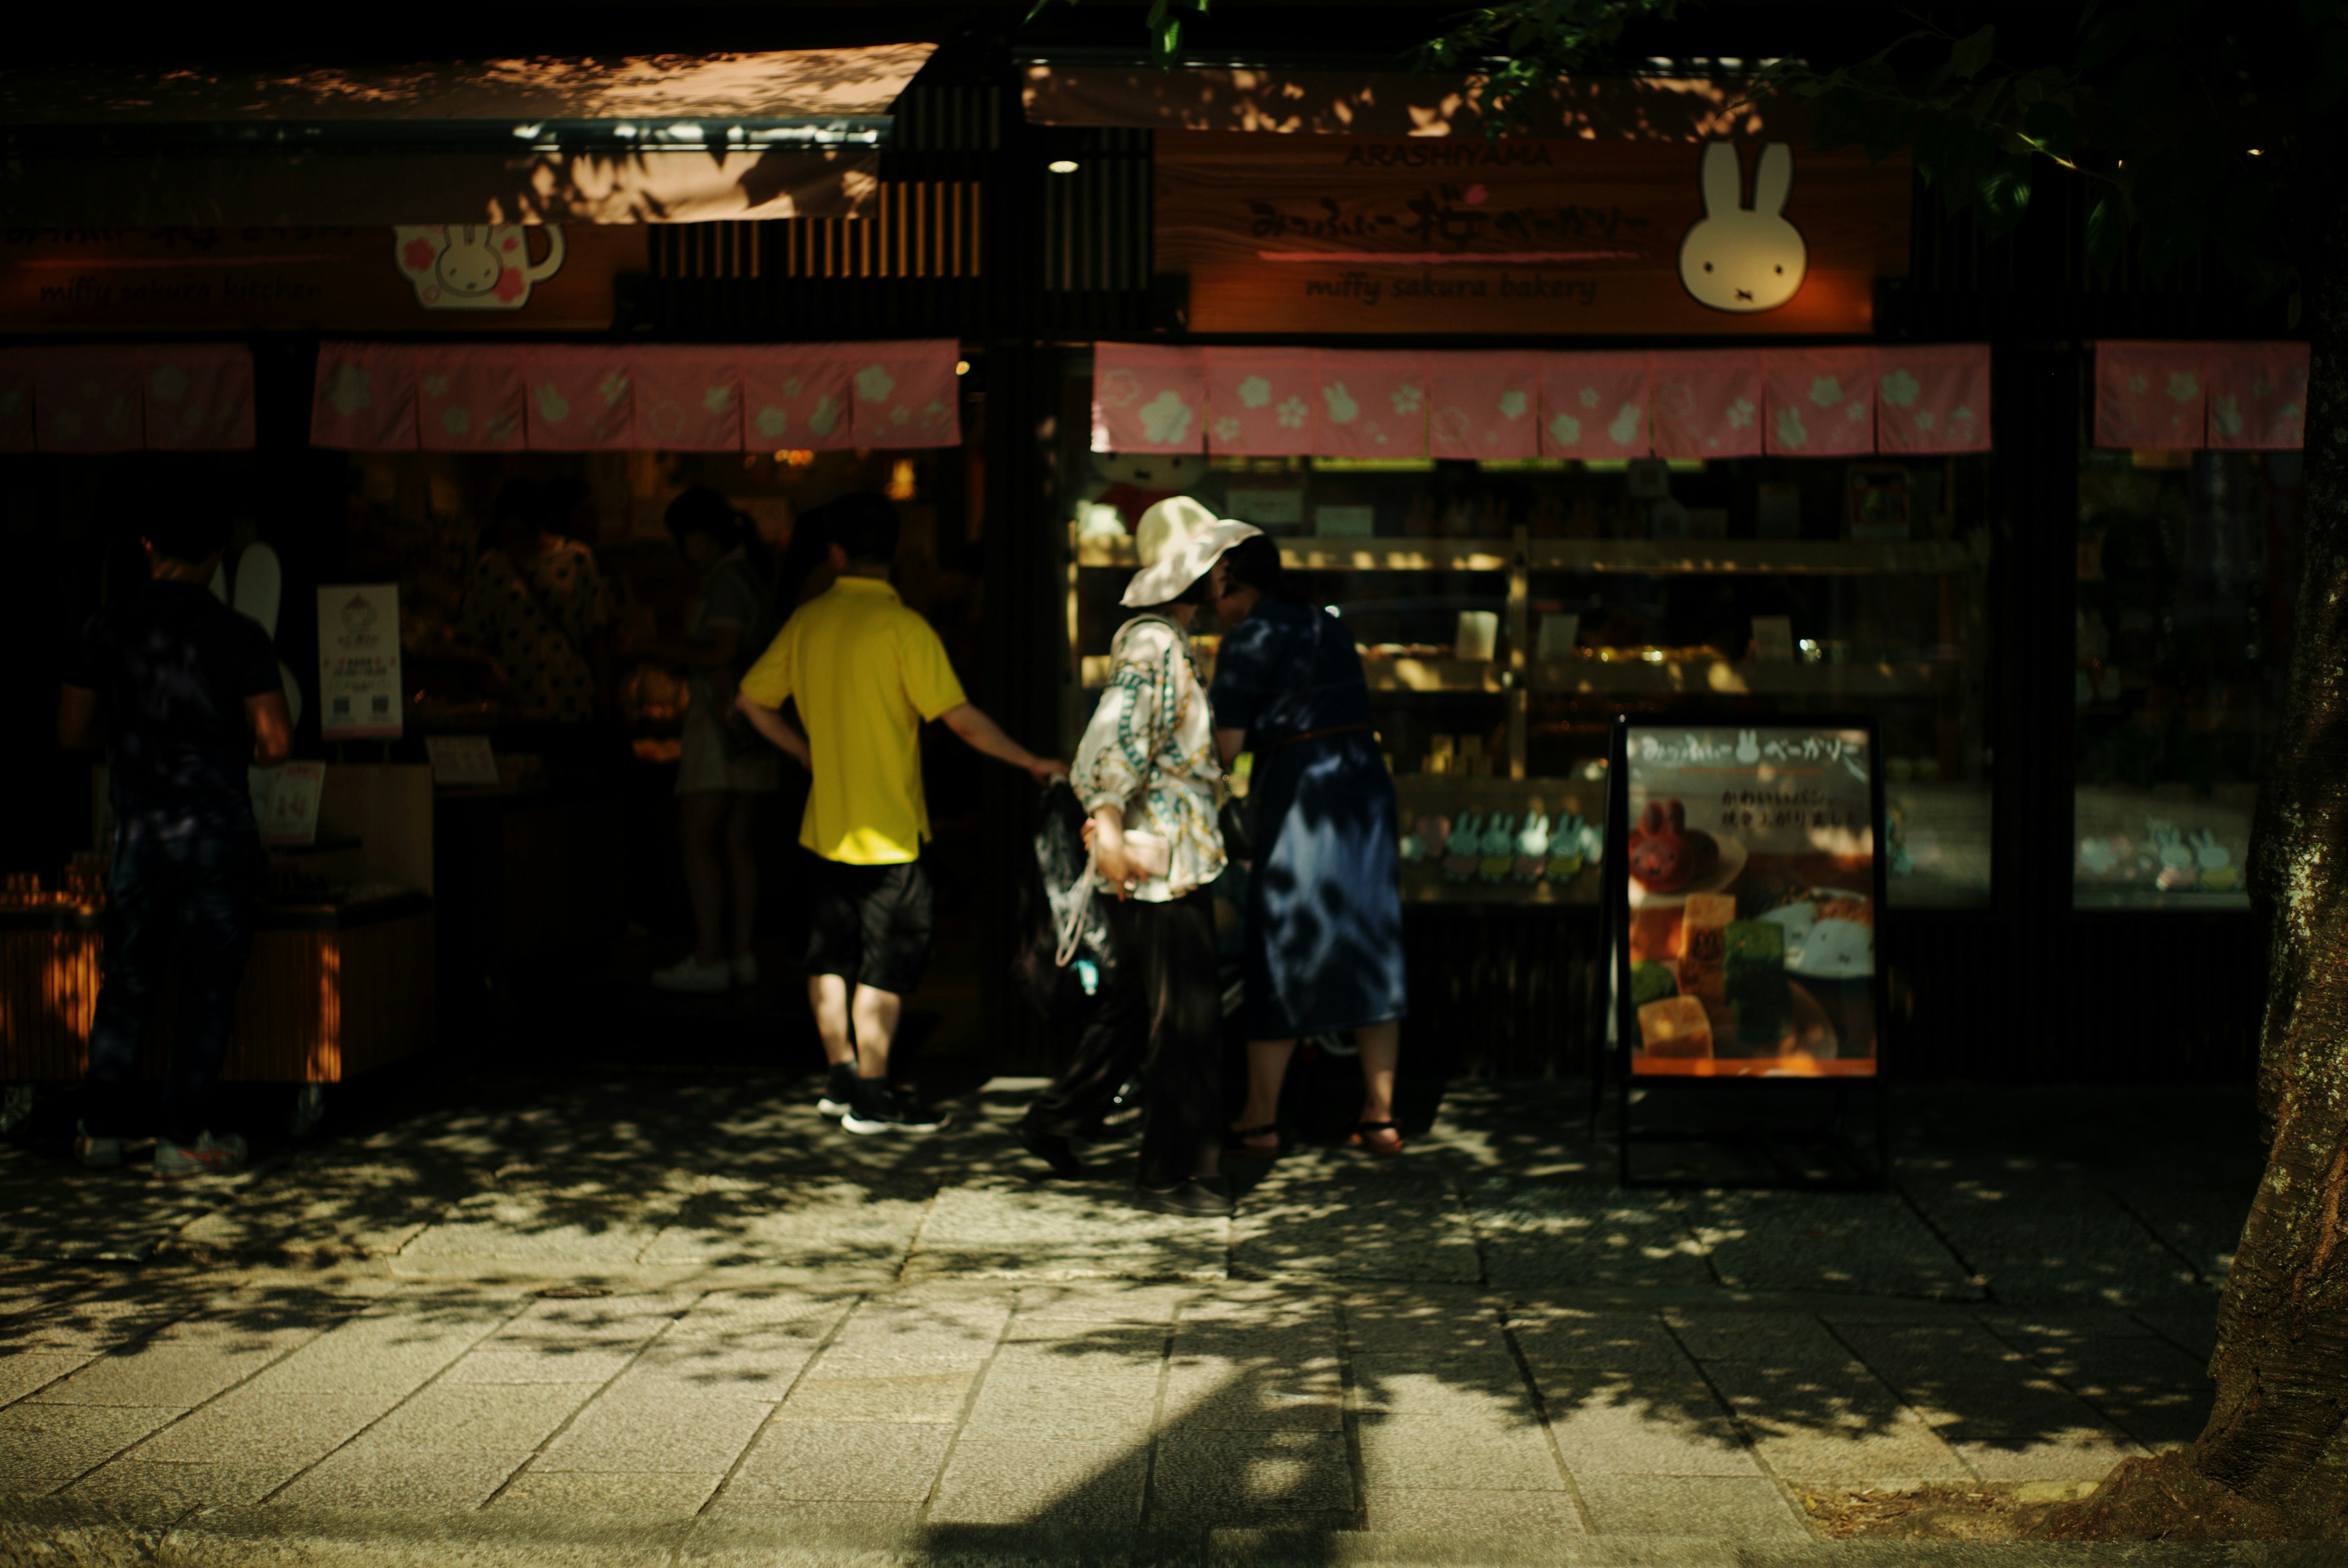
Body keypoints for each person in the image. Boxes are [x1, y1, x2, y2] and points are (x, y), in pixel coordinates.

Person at [733, 492, 1065, 1134]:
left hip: (825, 825)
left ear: (835, 555)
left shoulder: (808, 620)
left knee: (830, 956)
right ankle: (875, 1094)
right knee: (886, 964)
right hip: (890, 831)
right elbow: (961, 723)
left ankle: (841, 1078)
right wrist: (1030, 762)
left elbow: (749, 702)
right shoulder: (904, 628)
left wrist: (807, 754)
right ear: (897, 557)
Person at [1017, 498, 1260, 1216]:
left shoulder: (1163, 642)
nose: (1222, 578)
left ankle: (1146, 1154)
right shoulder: (1156, 644)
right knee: (1181, 1023)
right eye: (1213, 565)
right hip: (1162, 866)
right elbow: (1109, 745)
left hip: (1170, 860)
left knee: (1163, 1013)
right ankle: (1168, 1173)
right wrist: (1110, 823)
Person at [56, 504, 293, 1177]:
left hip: (140, 832)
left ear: (149, 545)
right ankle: (181, 1136)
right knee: (207, 987)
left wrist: (135, 741)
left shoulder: (104, 626)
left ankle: (99, 1130)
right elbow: (276, 743)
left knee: (127, 979)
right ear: (218, 554)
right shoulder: (237, 635)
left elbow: (71, 733)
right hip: (217, 834)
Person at [1209, 531, 1409, 1155]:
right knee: (1370, 940)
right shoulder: (1330, 627)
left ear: (1232, 583)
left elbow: (1226, 750)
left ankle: (1260, 1119)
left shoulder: (1248, 639)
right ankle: (1380, 1116)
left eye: (1214, 582)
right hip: (1365, 790)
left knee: (1284, 943)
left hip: (1303, 798)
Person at [646, 488, 783, 993]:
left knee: (698, 835)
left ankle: (710, 953)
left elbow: (718, 651)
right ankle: (740, 952)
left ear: (697, 538)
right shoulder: (750, 575)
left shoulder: (725, 581)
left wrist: (655, 644)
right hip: (756, 722)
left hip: (720, 722)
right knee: (737, 840)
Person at [460, 477, 610, 727]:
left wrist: (605, 704)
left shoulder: (577, 560)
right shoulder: (491, 566)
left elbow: (596, 635)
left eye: (523, 534)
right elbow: (473, 636)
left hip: (570, 693)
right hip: (513, 697)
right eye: (509, 534)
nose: (518, 544)